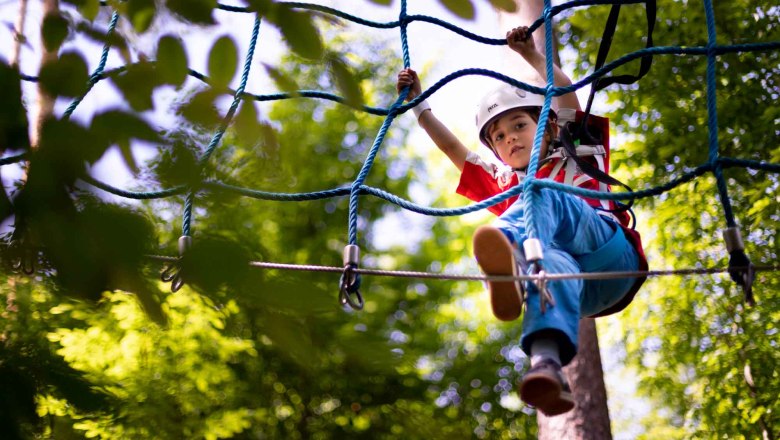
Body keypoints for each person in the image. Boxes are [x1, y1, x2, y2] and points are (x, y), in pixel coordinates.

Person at [397, 26, 647, 416]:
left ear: (548, 126)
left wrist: (531, 55)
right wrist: (419, 104)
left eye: (519, 126)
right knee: (548, 261)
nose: (509, 138)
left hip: (612, 259)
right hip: (579, 290)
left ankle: (509, 252)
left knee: (540, 192)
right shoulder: (504, 183)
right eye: (498, 137)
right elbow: (452, 148)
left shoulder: (576, 148)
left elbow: (566, 93)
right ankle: (547, 367)